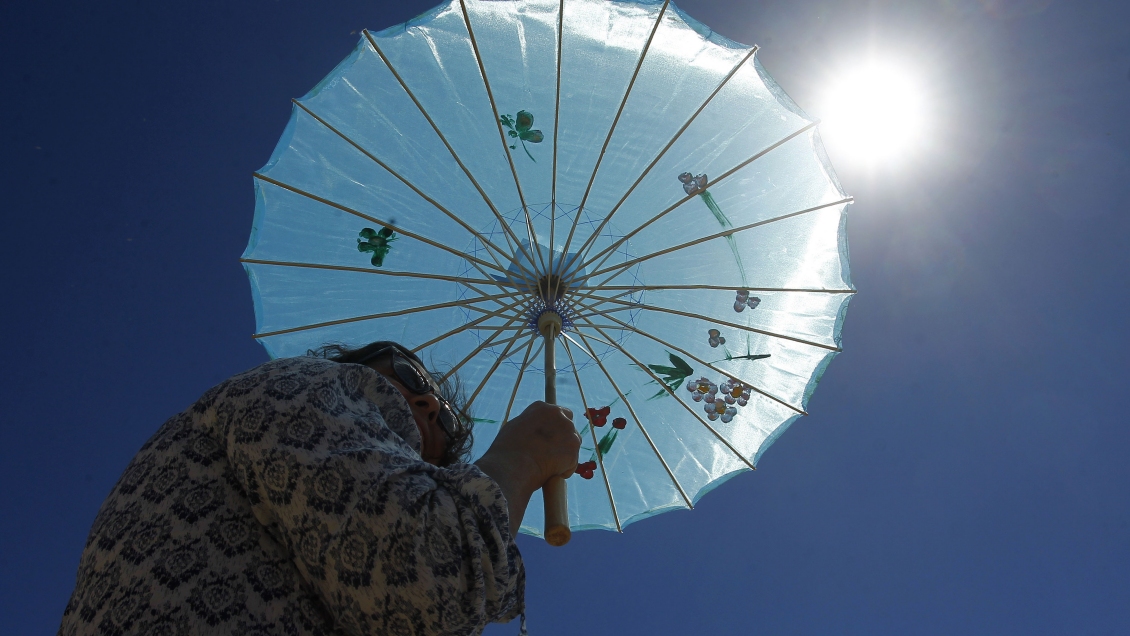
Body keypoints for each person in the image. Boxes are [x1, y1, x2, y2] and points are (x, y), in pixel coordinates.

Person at [57, 341, 581, 635]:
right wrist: (519, 458)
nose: (427, 405)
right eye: (409, 376)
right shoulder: (309, 383)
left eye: (443, 420)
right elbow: (424, 574)